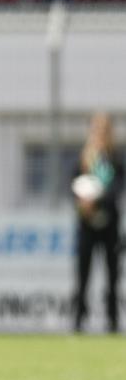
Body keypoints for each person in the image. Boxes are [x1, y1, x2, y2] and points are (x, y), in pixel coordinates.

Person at [72, 112, 122, 333]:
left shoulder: (116, 159)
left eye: (104, 130)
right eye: (96, 129)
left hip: (110, 226)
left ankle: (112, 320)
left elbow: (118, 188)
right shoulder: (84, 158)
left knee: (112, 276)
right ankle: (79, 320)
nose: (100, 134)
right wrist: (82, 202)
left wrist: (97, 198)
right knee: (83, 275)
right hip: (86, 226)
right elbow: (72, 185)